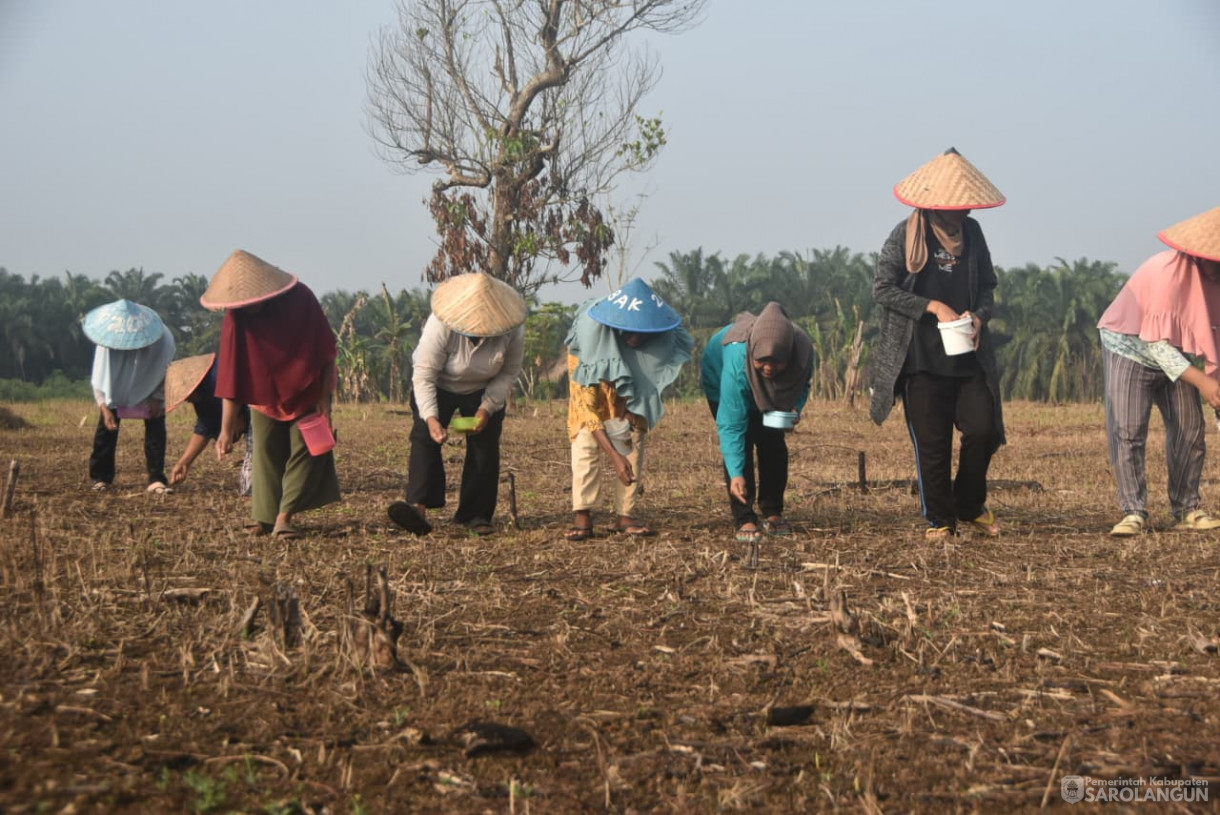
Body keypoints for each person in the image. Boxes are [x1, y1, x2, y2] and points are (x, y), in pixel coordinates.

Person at [871, 147, 1007, 540]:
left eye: (967, 207)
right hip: (919, 359)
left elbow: (987, 287)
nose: (963, 213)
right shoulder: (906, 235)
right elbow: (883, 289)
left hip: (968, 356)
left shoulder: (974, 234)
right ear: (935, 205)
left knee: (983, 430)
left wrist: (979, 315)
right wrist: (931, 306)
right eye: (956, 207)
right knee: (932, 445)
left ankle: (969, 504)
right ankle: (941, 520)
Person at [1097, 205, 1220, 536]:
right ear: (1197, 254)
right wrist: (1204, 384)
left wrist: (1216, 385)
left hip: (1175, 353)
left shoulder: (1217, 280)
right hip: (1130, 347)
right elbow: (1156, 346)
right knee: (1128, 430)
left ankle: (1187, 508)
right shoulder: (1166, 273)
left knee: (1190, 429)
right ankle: (1133, 510)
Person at [201, 249, 340, 539]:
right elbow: (230, 373)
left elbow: (326, 351)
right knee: (265, 453)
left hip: (307, 389)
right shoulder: (236, 316)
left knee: (308, 450)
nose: (248, 308)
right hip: (262, 396)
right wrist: (226, 429)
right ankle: (263, 517)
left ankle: (284, 517)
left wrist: (323, 401)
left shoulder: (301, 299)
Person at [387, 273, 526, 537]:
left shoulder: (513, 329)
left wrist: (486, 409)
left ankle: (475, 514)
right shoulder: (441, 325)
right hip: (439, 383)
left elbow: (508, 374)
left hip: (484, 387)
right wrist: (431, 418)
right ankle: (418, 507)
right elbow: (424, 374)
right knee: (424, 438)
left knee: (484, 446)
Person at [564, 278, 693, 540]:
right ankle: (583, 516)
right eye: (632, 333)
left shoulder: (651, 345)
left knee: (633, 438)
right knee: (586, 445)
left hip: (623, 402)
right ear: (617, 329)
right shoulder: (586, 346)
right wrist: (613, 455)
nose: (638, 339)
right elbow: (590, 411)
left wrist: (630, 412)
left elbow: (646, 382)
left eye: (645, 334)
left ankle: (625, 516)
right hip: (592, 401)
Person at [701, 302, 813, 544]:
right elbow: (731, 425)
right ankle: (744, 517)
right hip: (722, 381)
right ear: (753, 353)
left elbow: (802, 384)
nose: (769, 368)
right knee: (742, 443)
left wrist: (795, 408)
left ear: (789, 357)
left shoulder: (802, 350)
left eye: (777, 362)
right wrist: (736, 474)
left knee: (773, 444)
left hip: (774, 394)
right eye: (762, 361)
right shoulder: (737, 358)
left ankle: (773, 511)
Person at [83, 299, 177, 494]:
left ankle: (156, 478)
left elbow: (165, 369)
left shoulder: (162, 338)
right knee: (106, 431)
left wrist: (159, 399)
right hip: (116, 390)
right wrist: (104, 407)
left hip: (150, 386)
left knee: (156, 427)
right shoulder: (107, 340)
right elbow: (99, 377)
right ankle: (101, 477)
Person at [164, 353, 254, 495]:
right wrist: (184, 462)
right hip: (243, 416)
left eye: (186, 396)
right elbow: (205, 425)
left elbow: (234, 401)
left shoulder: (216, 379)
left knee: (254, 481)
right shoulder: (201, 394)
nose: (187, 400)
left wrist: (228, 431)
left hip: (258, 407)